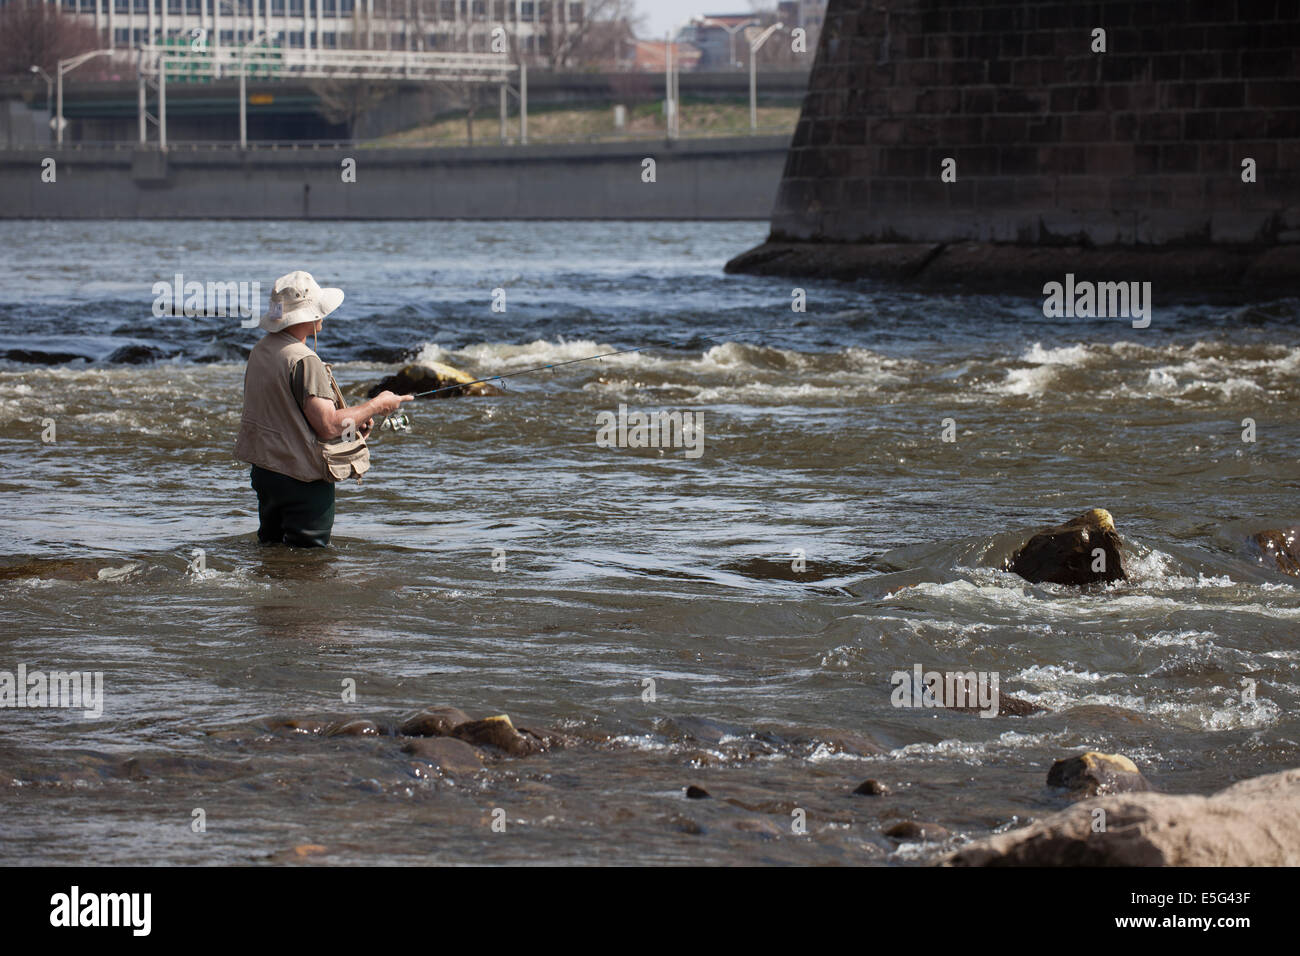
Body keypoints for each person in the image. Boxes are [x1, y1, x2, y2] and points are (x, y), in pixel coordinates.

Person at [234, 271, 412, 547]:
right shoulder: (305, 360)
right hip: (302, 480)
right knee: (310, 562)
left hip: (266, 473)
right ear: (307, 315)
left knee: (272, 550)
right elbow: (327, 425)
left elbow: (284, 412)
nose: (323, 316)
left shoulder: (261, 350)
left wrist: (355, 420)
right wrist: (376, 405)